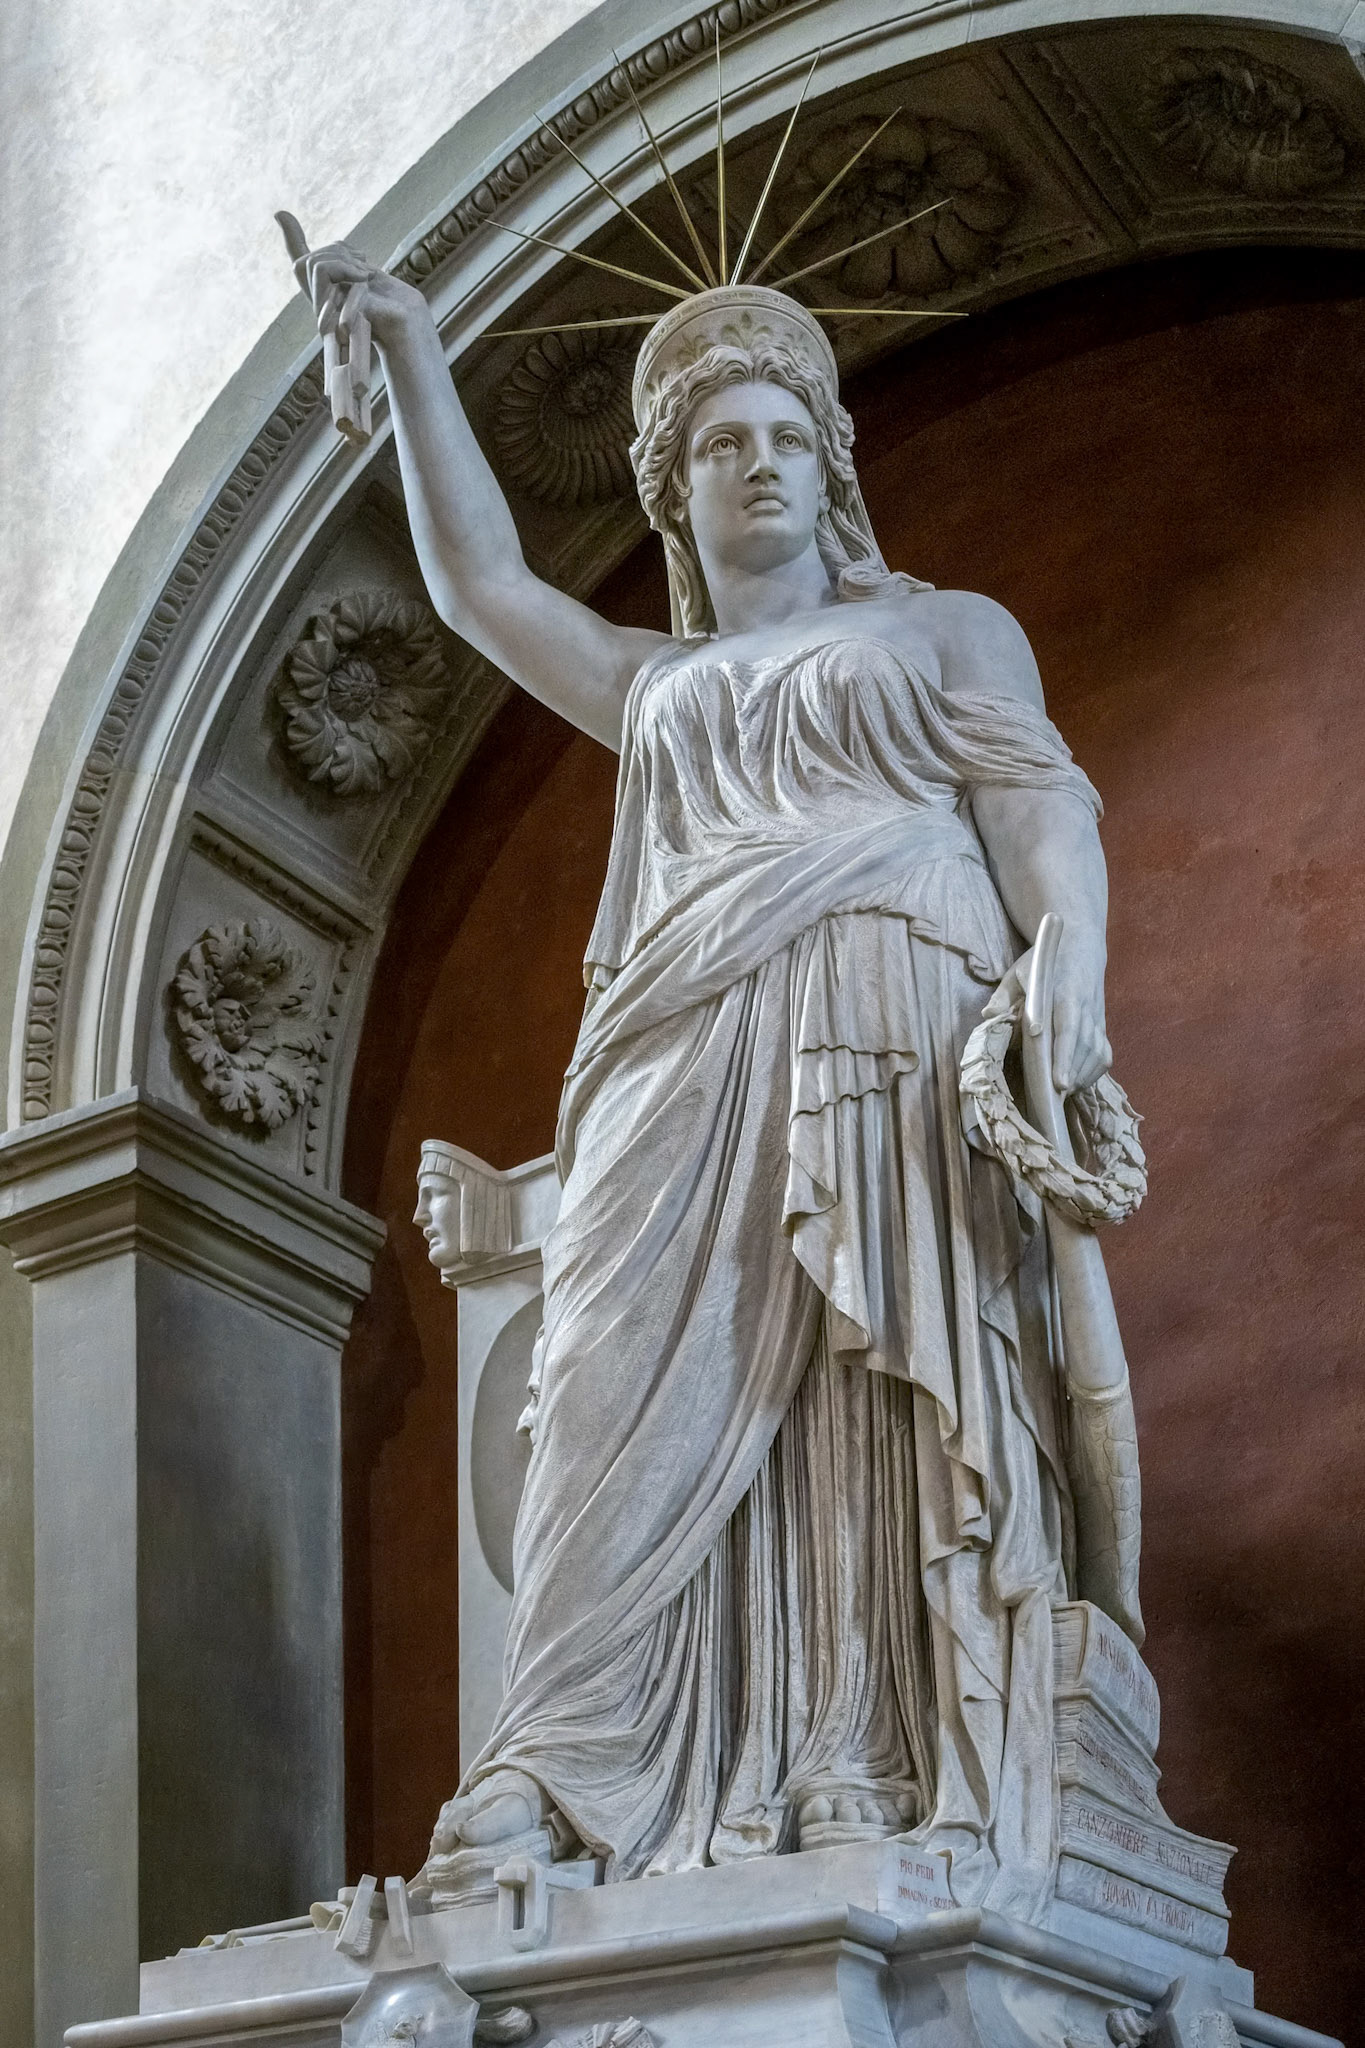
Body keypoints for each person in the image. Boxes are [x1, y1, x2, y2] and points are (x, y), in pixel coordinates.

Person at [302, 245, 1123, 1916]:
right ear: (675, 498)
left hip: (890, 996)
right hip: (673, 1047)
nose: (756, 461)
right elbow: (482, 593)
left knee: (862, 1375)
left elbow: (1041, 808)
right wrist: (408, 352)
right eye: (717, 444)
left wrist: (1069, 983)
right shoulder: (653, 683)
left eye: (782, 436)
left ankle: (858, 1755)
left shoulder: (943, 629)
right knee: (609, 1379)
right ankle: (555, 1762)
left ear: (831, 470)